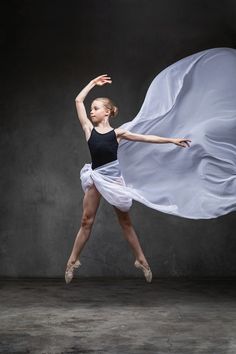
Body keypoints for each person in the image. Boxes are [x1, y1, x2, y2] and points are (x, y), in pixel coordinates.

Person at [65, 74, 191, 284]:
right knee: (86, 221)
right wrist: (92, 84)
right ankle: (72, 262)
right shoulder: (88, 130)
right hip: (96, 177)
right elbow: (78, 100)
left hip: (113, 179)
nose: (91, 111)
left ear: (107, 112)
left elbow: (146, 138)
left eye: (95, 108)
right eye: (91, 108)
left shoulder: (118, 133)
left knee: (125, 222)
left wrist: (171, 139)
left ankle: (141, 260)